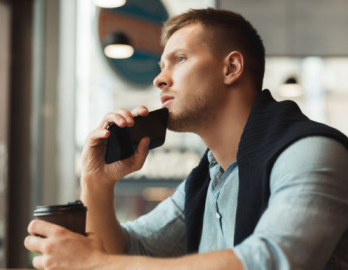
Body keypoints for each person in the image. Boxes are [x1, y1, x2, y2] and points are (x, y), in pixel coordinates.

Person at [24, 8, 348, 270]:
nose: (159, 79)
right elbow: (130, 250)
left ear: (231, 67)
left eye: (179, 59)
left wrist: (98, 263)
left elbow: (275, 259)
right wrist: (97, 182)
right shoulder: (207, 179)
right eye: (161, 65)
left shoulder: (310, 152)